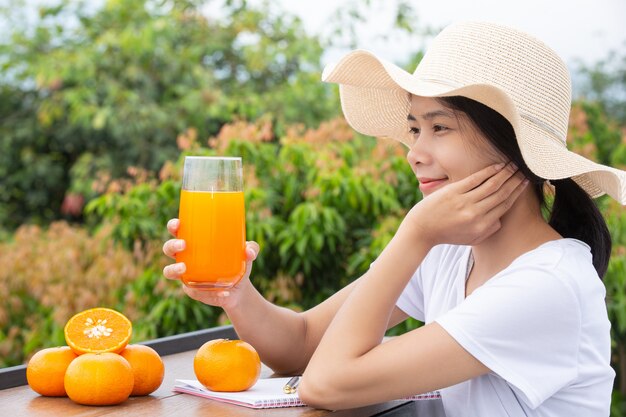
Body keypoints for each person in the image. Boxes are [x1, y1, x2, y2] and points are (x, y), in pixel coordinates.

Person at [163, 21, 626, 416]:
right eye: (414, 128)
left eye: (440, 128)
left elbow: (326, 382)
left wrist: (415, 233)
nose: (414, 154)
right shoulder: (450, 253)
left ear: (515, 150)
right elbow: (301, 346)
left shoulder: (546, 284)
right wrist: (236, 293)